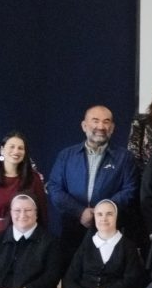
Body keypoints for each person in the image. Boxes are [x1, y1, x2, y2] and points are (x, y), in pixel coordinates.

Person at [48, 105, 139, 258]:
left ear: (112, 127)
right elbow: (54, 188)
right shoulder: (66, 156)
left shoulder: (125, 158)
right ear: (84, 126)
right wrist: (80, 211)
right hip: (73, 227)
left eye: (106, 122)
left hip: (109, 229)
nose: (101, 126)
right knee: (71, 275)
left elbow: (130, 189)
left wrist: (101, 213)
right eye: (95, 121)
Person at [0, 131, 47, 248]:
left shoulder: (34, 178)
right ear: (2, 150)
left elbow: (42, 213)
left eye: (20, 148)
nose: (16, 151)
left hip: (28, 239)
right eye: (11, 147)